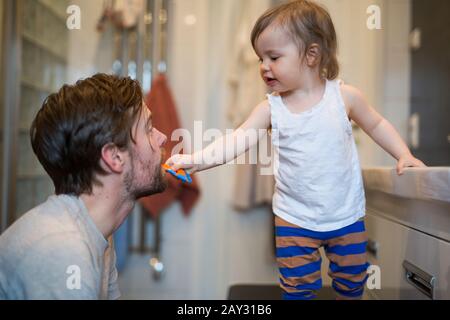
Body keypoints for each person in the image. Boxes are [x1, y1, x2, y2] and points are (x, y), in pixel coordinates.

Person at [166, 0, 425, 300]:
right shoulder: (270, 108)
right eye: (261, 58)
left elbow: (377, 124)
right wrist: (196, 160)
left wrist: (403, 153)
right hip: (294, 218)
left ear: (312, 54)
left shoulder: (344, 97)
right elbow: (237, 140)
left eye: (273, 57)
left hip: (346, 215)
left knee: (352, 284)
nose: (263, 66)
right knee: (297, 291)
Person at [0, 74, 168, 299]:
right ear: (114, 157)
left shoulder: (97, 233)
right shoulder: (64, 250)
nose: (163, 138)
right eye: (148, 129)